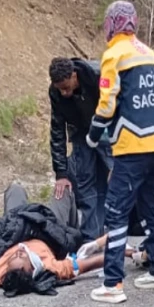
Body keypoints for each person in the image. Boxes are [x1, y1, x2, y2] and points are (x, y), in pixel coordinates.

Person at [88, 1, 154, 304]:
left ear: (112, 23)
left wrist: (94, 133)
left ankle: (113, 283)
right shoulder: (150, 54)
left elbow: (107, 103)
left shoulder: (114, 54)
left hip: (132, 144)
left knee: (116, 212)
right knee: (152, 208)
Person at [48, 57, 111, 241]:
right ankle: (92, 238)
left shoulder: (98, 76)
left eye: (66, 87)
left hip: (107, 131)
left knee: (114, 180)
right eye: (60, 89)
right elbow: (57, 129)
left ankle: (115, 232)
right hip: (81, 135)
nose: (64, 93)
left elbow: (121, 104)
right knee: (85, 185)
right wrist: (61, 173)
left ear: (74, 76)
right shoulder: (56, 92)